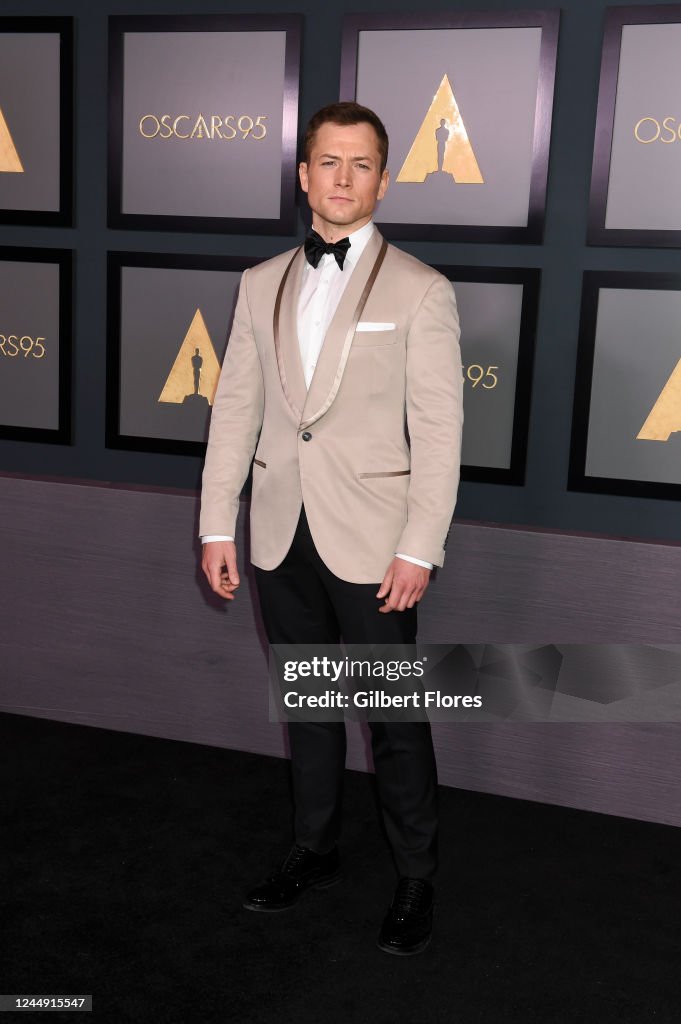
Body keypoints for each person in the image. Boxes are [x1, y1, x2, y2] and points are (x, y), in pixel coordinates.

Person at [199, 102, 463, 956]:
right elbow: (234, 409)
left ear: (382, 180)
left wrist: (419, 545)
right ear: (303, 173)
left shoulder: (422, 290)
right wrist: (216, 525)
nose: (342, 179)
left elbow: (440, 432)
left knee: (391, 719)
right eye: (327, 162)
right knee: (308, 708)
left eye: (360, 165)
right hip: (278, 533)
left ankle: (415, 874)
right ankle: (313, 849)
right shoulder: (258, 281)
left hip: (377, 544)